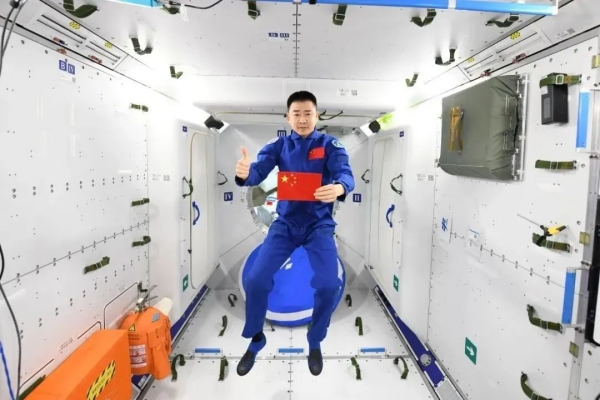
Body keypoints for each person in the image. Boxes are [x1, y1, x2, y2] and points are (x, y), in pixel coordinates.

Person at [234, 91, 355, 377]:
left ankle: (315, 339)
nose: (302, 119)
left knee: (328, 284)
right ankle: (256, 338)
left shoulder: (330, 145)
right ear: (288, 117)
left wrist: (339, 187)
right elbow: (257, 172)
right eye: (296, 114)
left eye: (308, 113)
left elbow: (345, 174)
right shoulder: (279, 145)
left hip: (319, 225)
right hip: (285, 225)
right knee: (256, 279)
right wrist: (244, 173)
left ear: (317, 116)